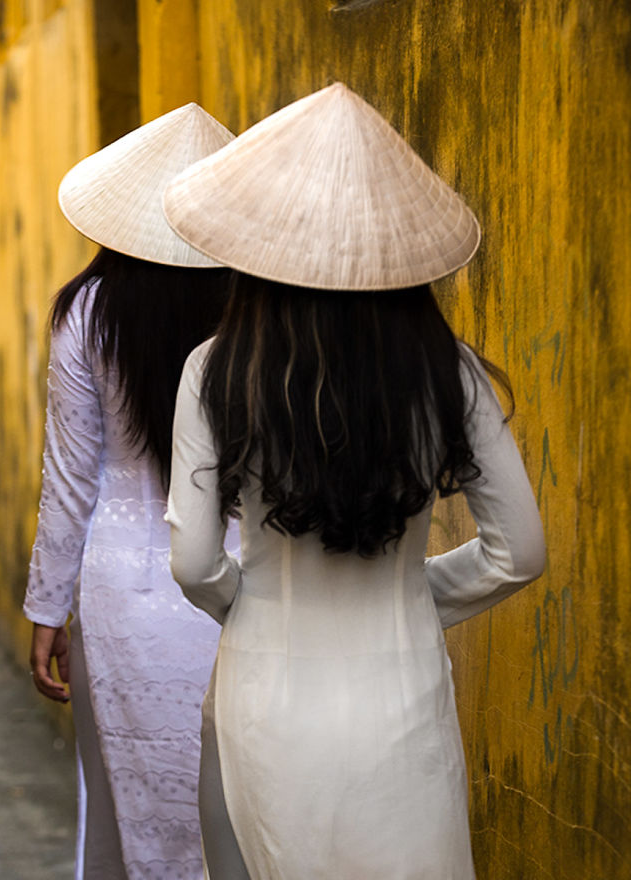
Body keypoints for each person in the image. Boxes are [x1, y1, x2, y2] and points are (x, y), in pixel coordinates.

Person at [162, 83, 546, 879]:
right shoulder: (449, 372)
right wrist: (407, 598)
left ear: (261, 246)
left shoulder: (215, 368)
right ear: (396, 256)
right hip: (401, 695)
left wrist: (254, 606)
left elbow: (194, 565)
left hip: (265, 691)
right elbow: (520, 553)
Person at [23, 104, 235, 880]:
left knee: (132, 802)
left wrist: (48, 607)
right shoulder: (255, 312)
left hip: (122, 587)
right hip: (238, 580)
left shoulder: (87, 312)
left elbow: (71, 478)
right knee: (236, 811)